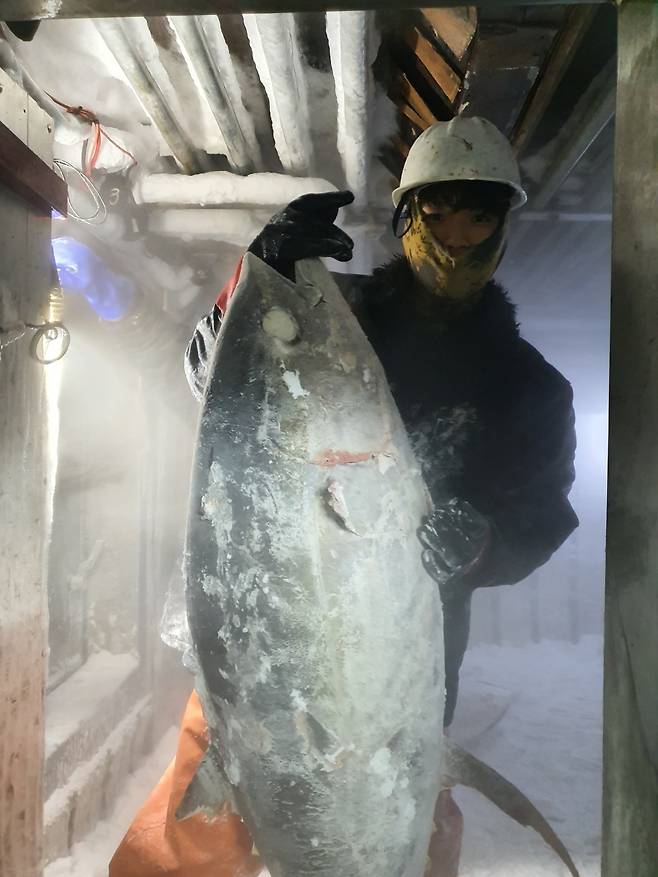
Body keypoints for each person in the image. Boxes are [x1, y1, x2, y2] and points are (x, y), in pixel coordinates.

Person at [110, 116, 578, 877]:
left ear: (503, 228)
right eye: (438, 210)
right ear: (405, 217)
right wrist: (257, 274)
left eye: (478, 214)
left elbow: (543, 517)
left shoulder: (529, 388)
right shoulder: (326, 316)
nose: (456, 235)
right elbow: (207, 382)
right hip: (257, 640)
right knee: (192, 833)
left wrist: (485, 544)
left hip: (390, 661)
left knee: (400, 830)